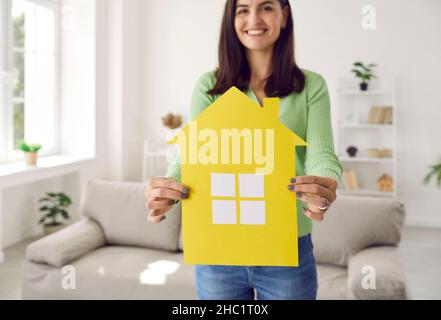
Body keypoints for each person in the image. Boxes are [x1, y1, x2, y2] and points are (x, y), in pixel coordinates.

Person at [145, 0, 342, 300]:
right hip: (218, 251)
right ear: (231, 19)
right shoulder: (210, 86)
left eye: (266, 7)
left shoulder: (311, 86)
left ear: (284, 15)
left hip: (286, 247)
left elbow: (321, 154)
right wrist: (170, 187)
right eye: (243, 9)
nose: (254, 18)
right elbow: (193, 154)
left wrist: (323, 184)